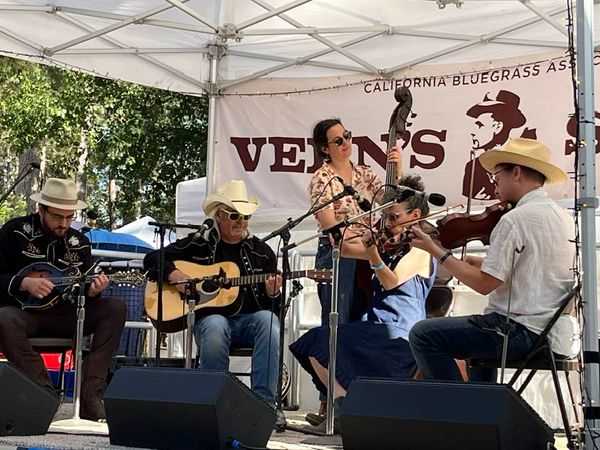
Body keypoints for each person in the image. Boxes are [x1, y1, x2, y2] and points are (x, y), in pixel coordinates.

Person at [409, 138, 577, 382]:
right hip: (551, 332)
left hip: (520, 330)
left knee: (422, 334)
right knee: (478, 334)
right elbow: (530, 269)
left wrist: (436, 251)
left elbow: (484, 284)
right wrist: (477, 263)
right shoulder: (563, 217)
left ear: (516, 172)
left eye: (496, 177)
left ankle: (455, 403)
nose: (495, 187)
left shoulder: (515, 218)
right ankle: (482, 402)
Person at [291, 175, 437, 433]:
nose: (387, 223)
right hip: (375, 324)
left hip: (399, 330)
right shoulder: (389, 246)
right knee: (316, 342)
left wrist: (373, 255)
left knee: (324, 340)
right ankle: (344, 408)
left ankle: (348, 413)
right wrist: (340, 229)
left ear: (415, 215)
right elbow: (345, 248)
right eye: (386, 217)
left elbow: (391, 282)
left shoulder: (421, 250)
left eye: (393, 217)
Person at [143, 179, 282, 407]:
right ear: (218, 216)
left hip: (250, 322)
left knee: (269, 322)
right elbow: (152, 258)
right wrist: (174, 275)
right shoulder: (199, 243)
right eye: (234, 215)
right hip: (210, 320)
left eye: (246, 216)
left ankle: (264, 405)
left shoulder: (262, 253)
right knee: (216, 325)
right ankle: (214, 404)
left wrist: (273, 294)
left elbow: (276, 309)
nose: (241, 222)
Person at [0, 178, 127, 422]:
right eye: (57, 216)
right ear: (41, 209)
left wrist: (93, 292)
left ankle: (90, 394)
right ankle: (43, 392)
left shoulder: (79, 243)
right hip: (23, 314)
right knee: (3, 318)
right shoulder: (14, 232)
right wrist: (22, 283)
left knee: (115, 308)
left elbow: (83, 289)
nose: (64, 224)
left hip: (66, 314)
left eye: (70, 217)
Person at [307, 118, 401, 423]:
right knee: (336, 325)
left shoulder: (365, 173)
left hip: (368, 253)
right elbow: (330, 227)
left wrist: (396, 171)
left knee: (361, 325)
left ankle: (357, 400)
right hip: (338, 254)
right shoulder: (322, 179)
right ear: (324, 148)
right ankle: (328, 402)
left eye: (347, 136)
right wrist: (364, 248)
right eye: (338, 140)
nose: (346, 143)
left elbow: (389, 205)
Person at [462, 90, 536, 200]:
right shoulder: (472, 167)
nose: (472, 132)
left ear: (498, 127)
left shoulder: (522, 163)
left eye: (480, 125)